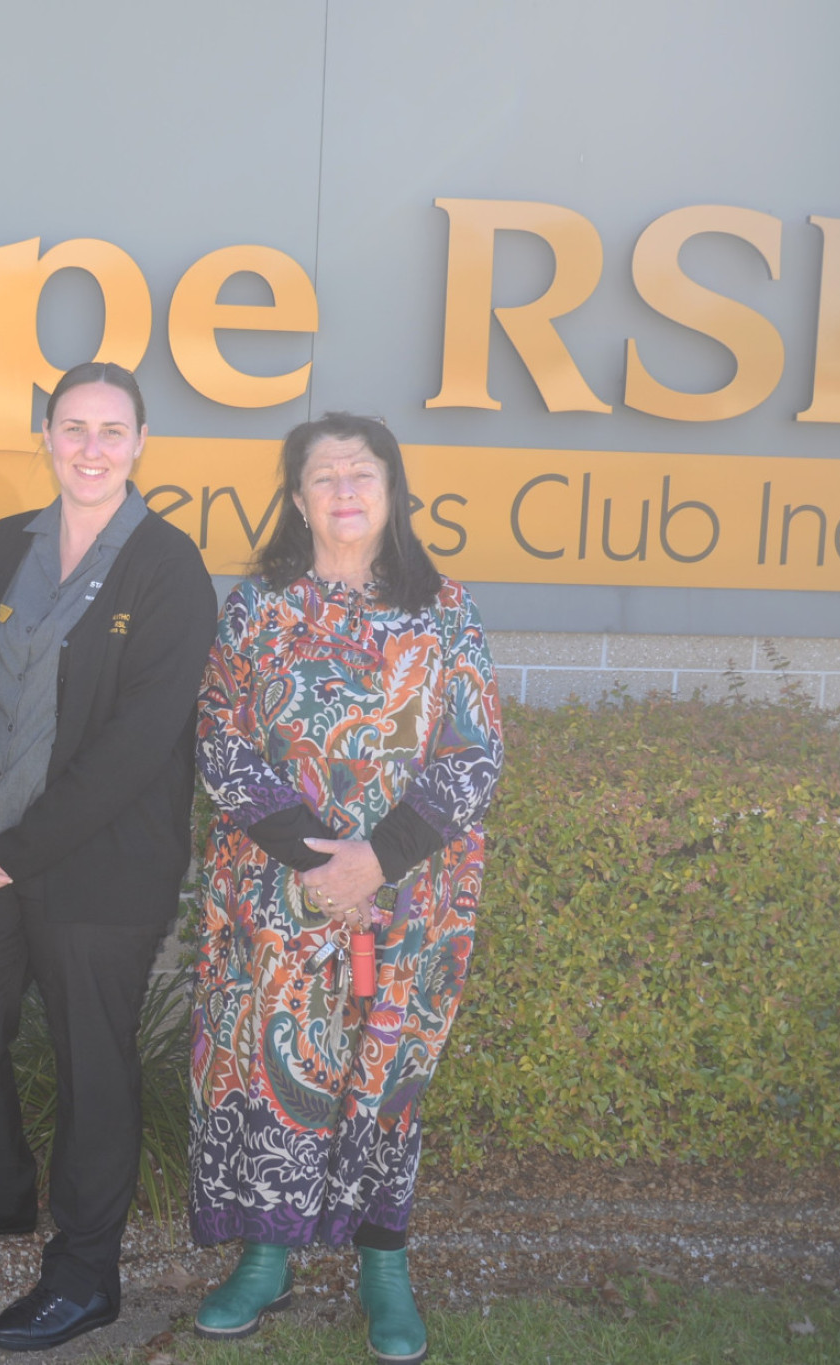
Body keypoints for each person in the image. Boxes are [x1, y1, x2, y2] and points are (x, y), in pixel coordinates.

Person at [0, 362, 216, 1349]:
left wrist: (22, 847)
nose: (89, 447)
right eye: (71, 427)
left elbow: (138, 742)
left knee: (92, 1067)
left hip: (98, 867)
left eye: (109, 430)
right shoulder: (3, 547)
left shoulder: (167, 566)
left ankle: (86, 1273)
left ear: (138, 443)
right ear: (45, 435)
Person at [186, 413, 501, 1365]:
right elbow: (221, 740)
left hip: (412, 900)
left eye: (362, 472)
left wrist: (379, 859)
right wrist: (317, 858)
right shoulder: (256, 608)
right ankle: (266, 1254)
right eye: (323, 476)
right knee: (268, 1068)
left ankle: (383, 1269)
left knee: (384, 1078)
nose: (345, 490)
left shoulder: (444, 607)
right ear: (297, 499)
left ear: (394, 488)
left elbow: (475, 751)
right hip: (279, 896)